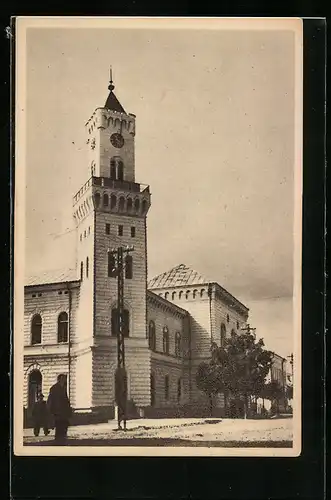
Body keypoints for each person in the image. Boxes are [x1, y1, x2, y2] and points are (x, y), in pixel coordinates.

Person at [47, 374, 72, 445]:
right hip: (57, 412)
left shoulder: (63, 388)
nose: (65, 380)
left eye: (65, 379)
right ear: (59, 379)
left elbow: (66, 401)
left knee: (64, 427)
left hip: (64, 413)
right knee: (59, 428)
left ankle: (62, 441)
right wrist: (51, 412)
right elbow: (50, 400)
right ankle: (58, 442)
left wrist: (69, 410)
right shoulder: (54, 388)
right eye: (63, 379)